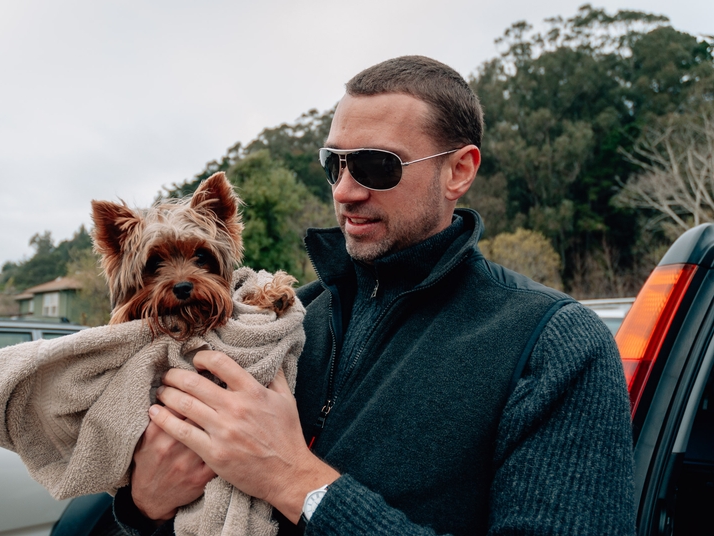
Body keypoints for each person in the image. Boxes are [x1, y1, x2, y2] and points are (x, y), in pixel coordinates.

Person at [113, 55, 635, 535]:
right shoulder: (282, 321)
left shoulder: (555, 346)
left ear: (459, 170)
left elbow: (283, 479)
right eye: (334, 163)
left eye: (377, 165)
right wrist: (141, 505)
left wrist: (296, 482)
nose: (344, 190)